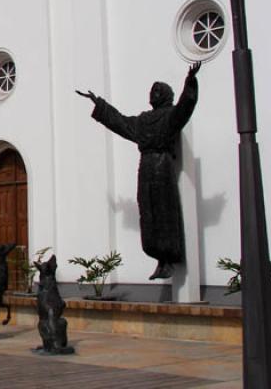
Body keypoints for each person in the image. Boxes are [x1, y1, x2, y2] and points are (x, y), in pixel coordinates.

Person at [76, 62, 200, 280]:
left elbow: (185, 107)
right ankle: (159, 259)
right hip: (146, 167)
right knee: (148, 212)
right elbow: (121, 123)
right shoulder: (143, 121)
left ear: (166, 95)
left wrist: (189, 82)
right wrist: (100, 104)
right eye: (152, 91)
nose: (153, 93)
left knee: (164, 210)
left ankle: (169, 257)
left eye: (157, 91)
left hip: (162, 165)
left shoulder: (170, 116)